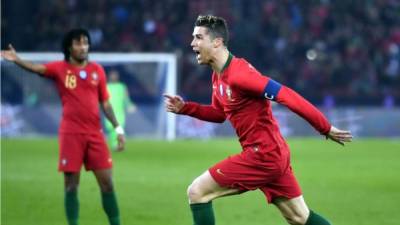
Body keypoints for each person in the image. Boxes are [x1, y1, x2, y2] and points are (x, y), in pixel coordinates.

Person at [164, 15, 353, 225]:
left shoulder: (240, 75)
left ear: (217, 42)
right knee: (300, 217)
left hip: (263, 155)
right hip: (272, 153)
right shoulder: (218, 75)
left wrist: (324, 127)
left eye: (198, 37)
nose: (192, 44)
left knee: (197, 191)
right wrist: (186, 108)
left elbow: (286, 95)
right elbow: (219, 114)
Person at [1, 29, 125, 225]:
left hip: (95, 134)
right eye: (78, 43)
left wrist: (118, 129)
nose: (83, 47)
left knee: (107, 184)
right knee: (71, 187)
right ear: (69, 47)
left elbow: (106, 104)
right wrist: (17, 59)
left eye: (85, 43)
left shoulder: (97, 71)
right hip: (71, 134)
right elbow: (37, 68)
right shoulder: (60, 69)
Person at [105, 69, 136, 151]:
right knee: (111, 128)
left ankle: (119, 145)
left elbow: (126, 98)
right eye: (112, 75)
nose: (114, 77)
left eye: (115, 75)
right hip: (108, 111)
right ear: (109, 76)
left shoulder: (122, 86)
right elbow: (100, 99)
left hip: (119, 112)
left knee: (119, 128)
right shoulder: (105, 86)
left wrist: (130, 105)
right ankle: (115, 144)